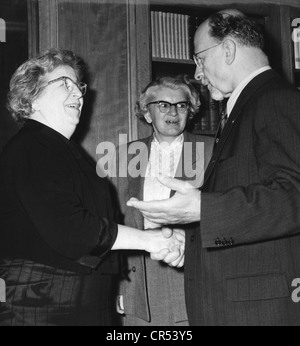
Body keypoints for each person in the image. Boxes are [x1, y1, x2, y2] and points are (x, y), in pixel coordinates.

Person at [127, 10, 300, 326]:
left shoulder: (275, 100)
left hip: (257, 309)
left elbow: (294, 196)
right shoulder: (246, 108)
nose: (197, 72)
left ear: (229, 50)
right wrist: (187, 243)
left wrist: (202, 208)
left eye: (200, 59)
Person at [0, 48, 184, 326]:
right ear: (32, 96)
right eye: (65, 84)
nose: (78, 94)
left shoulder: (62, 151)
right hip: (44, 300)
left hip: (74, 296)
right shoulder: (33, 146)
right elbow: (71, 229)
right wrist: (151, 240)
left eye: (79, 86)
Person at [112, 75, 214, 326]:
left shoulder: (213, 150)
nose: (173, 111)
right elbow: (111, 221)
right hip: (139, 282)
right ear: (147, 114)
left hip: (194, 275)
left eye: (181, 105)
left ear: (190, 112)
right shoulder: (124, 156)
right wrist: (118, 288)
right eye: (163, 105)